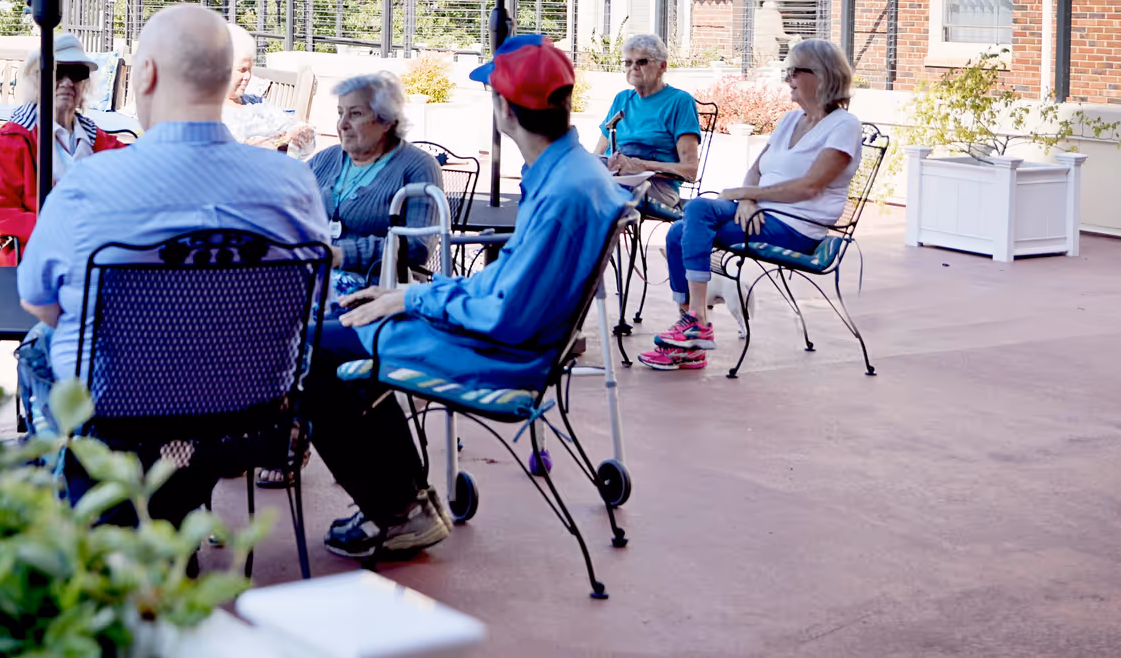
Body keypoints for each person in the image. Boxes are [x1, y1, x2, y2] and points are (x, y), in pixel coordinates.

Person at [307, 35, 627, 560]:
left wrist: (414, 302)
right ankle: (403, 501)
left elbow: (505, 311)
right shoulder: (574, 173)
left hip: (504, 354)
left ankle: (399, 511)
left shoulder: (563, 189)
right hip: (511, 337)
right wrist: (409, 295)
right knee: (342, 331)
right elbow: (506, 286)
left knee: (317, 350)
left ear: (503, 107)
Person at [14, 4, 328, 524]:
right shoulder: (293, 185)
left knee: (38, 350)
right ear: (226, 77)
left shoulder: (89, 184)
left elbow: (40, 303)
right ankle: (176, 506)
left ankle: (93, 514)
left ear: (147, 73)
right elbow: (311, 302)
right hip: (247, 424)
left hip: (114, 422)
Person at [640, 38, 863, 372]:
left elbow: (810, 186)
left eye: (793, 71)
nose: (788, 79)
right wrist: (746, 196)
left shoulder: (845, 126)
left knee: (684, 230)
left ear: (821, 75)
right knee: (690, 217)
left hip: (796, 226)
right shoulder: (791, 120)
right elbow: (757, 169)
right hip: (760, 212)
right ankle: (693, 330)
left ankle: (694, 325)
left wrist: (754, 196)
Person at [0, 32, 130, 266]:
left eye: (77, 74)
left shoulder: (94, 138)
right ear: (38, 82)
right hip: (36, 257)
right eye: (58, 72)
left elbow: (137, 167)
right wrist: (55, 230)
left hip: (93, 257)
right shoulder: (13, 138)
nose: (68, 82)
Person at [307, 73, 444, 295]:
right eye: (340, 113)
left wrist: (341, 254)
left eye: (355, 114)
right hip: (313, 275)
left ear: (387, 121)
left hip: (378, 287)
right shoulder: (326, 159)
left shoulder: (418, 166)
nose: (342, 125)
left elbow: (419, 246)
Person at [592, 33, 703, 221]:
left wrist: (641, 166)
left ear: (662, 66)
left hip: (654, 187)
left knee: (591, 198)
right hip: (613, 180)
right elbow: (598, 152)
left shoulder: (679, 102)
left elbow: (690, 171)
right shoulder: (622, 98)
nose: (633, 67)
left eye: (641, 62)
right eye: (627, 63)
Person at [222, 23, 317, 154]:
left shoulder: (256, 103)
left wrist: (304, 135)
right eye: (242, 70)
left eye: (250, 69)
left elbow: (297, 140)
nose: (248, 76)